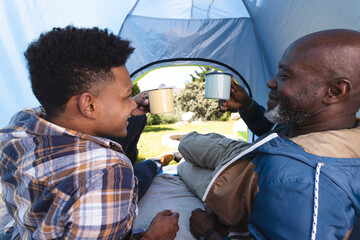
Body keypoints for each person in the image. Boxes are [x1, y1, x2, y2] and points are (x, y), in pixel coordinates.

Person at [177, 29, 360, 239]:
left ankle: (183, 163)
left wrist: (207, 232)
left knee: (185, 167)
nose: (270, 82)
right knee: (187, 142)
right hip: (252, 153)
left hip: (241, 178)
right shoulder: (323, 124)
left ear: (335, 91)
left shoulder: (299, 182)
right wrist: (246, 105)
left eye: (285, 75)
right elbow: (271, 131)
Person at [0, 26, 179, 239]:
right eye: (126, 96)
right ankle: (156, 162)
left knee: (141, 172)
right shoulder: (108, 172)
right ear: (89, 105)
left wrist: (123, 105)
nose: (132, 103)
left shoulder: (20, 124)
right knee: (140, 176)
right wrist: (152, 237)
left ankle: (155, 162)